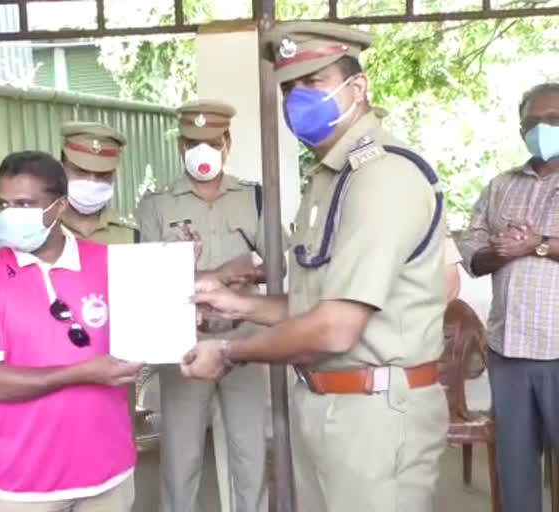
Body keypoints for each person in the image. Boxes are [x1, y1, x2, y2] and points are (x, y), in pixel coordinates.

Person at [182, 23, 449, 512]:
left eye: (314, 83)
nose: (297, 100)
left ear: (358, 88)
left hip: (375, 414)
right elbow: (314, 304)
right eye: (289, 88)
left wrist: (229, 351)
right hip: (329, 404)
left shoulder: (381, 177)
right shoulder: (331, 178)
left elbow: (334, 328)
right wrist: (234, 302)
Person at [0, 151, 139, 512]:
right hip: (27, 481)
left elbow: (154, 323)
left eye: (24, 204)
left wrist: (184, 279)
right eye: (3, 204)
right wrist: (83, 373)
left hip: (109, 470)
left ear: (59, 206)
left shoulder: (108, 263)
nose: (10, 215)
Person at [136, 99, 278, 512]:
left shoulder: (255, 198)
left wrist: (246, 271)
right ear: (181, 146)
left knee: (249, 454)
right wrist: (211, 272)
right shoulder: (157, 205)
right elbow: (147, 277)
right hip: (184, 343)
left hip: (246, 342)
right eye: (194, 141)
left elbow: (277, 267)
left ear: (227, 144)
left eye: (213, 141)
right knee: (182, 459)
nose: (204, 150)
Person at [457, 82, 559, 512]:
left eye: (552, 121)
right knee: (515, 469)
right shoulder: (500, 185)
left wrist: (537, 245)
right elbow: (472, 250)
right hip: (509, 350)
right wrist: (498, 251)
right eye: (531, 122)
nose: (541, 129)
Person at [59, 120, 143, 434]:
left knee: (117, 453)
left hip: (116, 370)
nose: (92, 182)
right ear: (61, 168)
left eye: (103, 175)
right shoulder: (39, 233)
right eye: (81, 171)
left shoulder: (130, 235)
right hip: (53, 371)